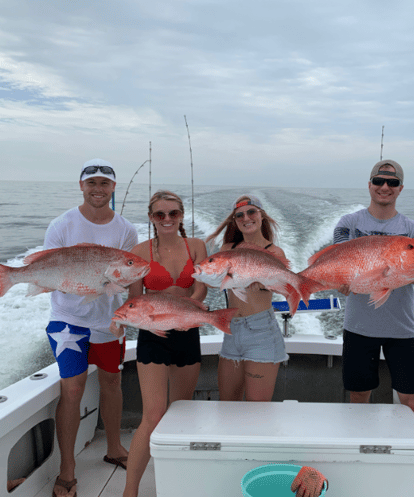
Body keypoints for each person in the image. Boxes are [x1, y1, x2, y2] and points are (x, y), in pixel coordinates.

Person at [334, 159, 414, 497]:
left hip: (402, 329)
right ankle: (356, 466)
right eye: (379, 180)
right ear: (369, 184)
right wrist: (339, 281)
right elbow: (338, 263)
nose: (385, 187)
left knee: (412, 400)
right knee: (359, 395)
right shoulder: (348, 223)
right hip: (359, 326)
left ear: (400, 189)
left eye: (392, 183)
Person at [45, 159, 138, 497]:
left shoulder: (126, 229)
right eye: (92, 183)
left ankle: (114, 447)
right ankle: (66, 468)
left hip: (109, 321)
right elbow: (50, 268)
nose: (98, 189)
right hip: (67, 321)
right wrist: (77, 284)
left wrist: (128, 313)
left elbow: (130, 274)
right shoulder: (61, 225)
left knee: (112, 381)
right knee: (72, 389)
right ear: (81, 186)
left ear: (114, 187)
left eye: (105, 183)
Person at [119, 191, 208, 497]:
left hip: (187, 330)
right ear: (151, 217)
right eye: (160, 214)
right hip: (152, 335)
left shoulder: (196, 246)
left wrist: (185, 311)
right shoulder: (139, 251)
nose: (167, 219)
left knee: (180, 412)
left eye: (173, 213)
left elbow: (200, 288)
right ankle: (130, 491)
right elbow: (134, 299)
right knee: (153, 415)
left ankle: (177, 485)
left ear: (182, 216)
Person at [206, 195, 289, 402]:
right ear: (235, 221)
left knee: (257, 409)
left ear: (262, 216)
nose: (246, 218)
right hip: (232, 331)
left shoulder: (274, 252)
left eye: (252, 212)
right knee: (227, 403)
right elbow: (210, 280)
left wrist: (267, 283)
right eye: (239, 215)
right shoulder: (227, 250)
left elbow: (285, 287)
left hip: (261, 331)